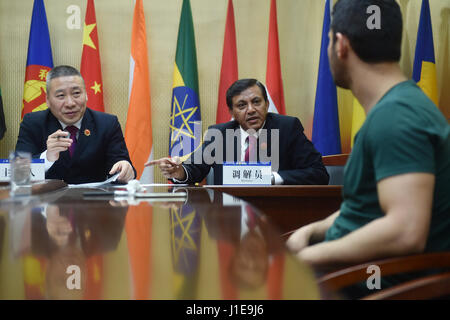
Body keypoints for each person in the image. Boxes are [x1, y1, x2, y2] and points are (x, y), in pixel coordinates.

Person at [287, 0, 450, 295]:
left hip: (365, 287)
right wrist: (313, 230)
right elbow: (367, 208)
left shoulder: (397, 116)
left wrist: (305, 258)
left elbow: (406, 230)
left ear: (341, 45)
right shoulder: (398, 108)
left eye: (328, 41)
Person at [147, 78, 329, 185]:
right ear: (232, 112)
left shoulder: (287, 128)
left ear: (266, 104)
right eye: (242, 105)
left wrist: (270, 178)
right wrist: (179, 172)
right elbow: (194, 169)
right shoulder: (220, 134)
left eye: (256, 102)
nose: (250, 110)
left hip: (275, 214)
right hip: (227, 218)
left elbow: (319, 173)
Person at [15, 65, 136, 184]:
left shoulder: (107, 124)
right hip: (48, 202)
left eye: (76, 93)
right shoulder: (33, 123)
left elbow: (122, 165)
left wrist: (125, 169)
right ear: (47, 100)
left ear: (86, 94)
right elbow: (17, 174)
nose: (70, 103)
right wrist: (47, 157)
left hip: (95, 201)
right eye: (61, 96)